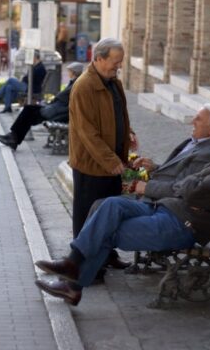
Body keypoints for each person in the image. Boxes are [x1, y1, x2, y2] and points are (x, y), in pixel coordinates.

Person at [34, 115, 210, 306]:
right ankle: (72, 263)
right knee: (111, 205)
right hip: (168, 208)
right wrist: (189, 185)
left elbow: (191, 190)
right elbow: (190, 186)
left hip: (181, 225)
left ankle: (73, 284)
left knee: (107, 230)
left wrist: (189, 185)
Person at [69, 38, 137, 271]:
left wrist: (128, 133)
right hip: (92, 165)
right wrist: (110, 161)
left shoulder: (113, 83)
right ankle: (83, 265)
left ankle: (107, 255)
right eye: (115, 61)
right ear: (98, 58)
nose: (118, 66)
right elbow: (86, 132)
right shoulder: (84, 86)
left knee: (109, 216)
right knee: (88, 216)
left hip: (112, 161)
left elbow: (118, 115)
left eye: (120, 62)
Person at [0, 62, 84, 150]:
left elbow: (62, 98)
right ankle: (13, 137)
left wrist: (50, 104)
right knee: (28, 111)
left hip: (58, 113)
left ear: (73, 72)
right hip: (55, 109)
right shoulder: (74, 83)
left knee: (28, 112)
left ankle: (13, 137)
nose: (68, 73)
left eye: (69, 71)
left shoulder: (75, 85)